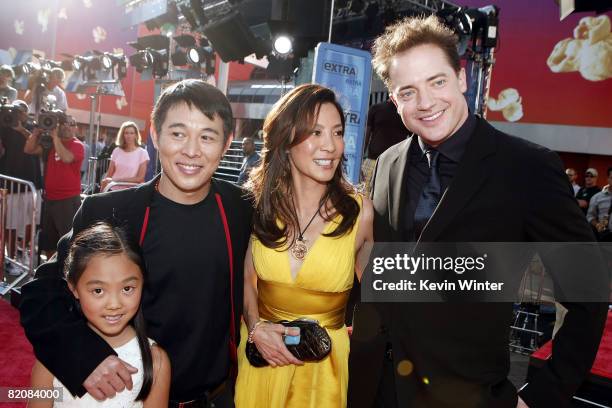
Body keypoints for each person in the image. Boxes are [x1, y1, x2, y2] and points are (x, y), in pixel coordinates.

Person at [348, 15, 608, 408]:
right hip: (373, 389)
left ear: (462, 78)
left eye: (437, 82)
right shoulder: (387, 163)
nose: (426, 102)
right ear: (394, 98)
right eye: (408, 91)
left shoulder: (526, 167)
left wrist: (543, 396)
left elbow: (589, 293)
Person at [19, 79, 252, 407]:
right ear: (155, 135)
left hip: (217, 397)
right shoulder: (110, 210)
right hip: (130, 397)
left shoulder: (241, 206)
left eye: (207, 137)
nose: (191, 150)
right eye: (178, 133)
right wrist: (86, 357)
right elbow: (41, 294)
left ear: (227, 142)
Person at [235, 84, 374, 407]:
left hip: (324, 373)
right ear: (286, 140)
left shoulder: (359, 213)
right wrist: (255, 328)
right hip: (262, 360)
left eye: (337, 132)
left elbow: (387, 298)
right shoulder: (259, 206)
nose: (331, 146)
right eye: (315, 132)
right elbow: (246, 281)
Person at [29, 222, 170, 407]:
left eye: (127, 288)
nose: (114, 304)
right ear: (74, 288)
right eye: (98, 291)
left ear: (143, 284)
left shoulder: (155, 361)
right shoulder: (56, 349)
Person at [24, 115, 84, 258]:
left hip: (67, 201)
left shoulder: (77, 145)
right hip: (50, 199)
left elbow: (67, 158)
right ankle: (51, 270)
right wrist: (36, 132)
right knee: (49, 243)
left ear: (75, 128)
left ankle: (65, 275)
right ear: (59, 126)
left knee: (68, 242)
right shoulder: (50, 144)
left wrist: (55, 137)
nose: (68, 126)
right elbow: (29, 149)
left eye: (72, 124)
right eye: (64, 124)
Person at [0, 100, 43, 270]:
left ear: (26, 113)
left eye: (21, 111)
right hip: (11, 184)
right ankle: (11, 257)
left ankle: (22, 249)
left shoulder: (33, 127)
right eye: (15, 111)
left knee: (32, 222)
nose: (18, 114)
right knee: (10, 223)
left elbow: (38, 146)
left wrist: (21, 130)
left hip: (32, 183)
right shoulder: (3, 125)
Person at [100, 121, 150, 191]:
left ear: (136, 135)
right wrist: (106, 183)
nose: (129, 136)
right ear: (122, 135)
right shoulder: (117, 151)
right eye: (126, 133)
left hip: (130, 191)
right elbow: (109, 173)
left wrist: (118, 180)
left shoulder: (142, 153)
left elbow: (140, 178)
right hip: (113, 188)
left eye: (132, 133)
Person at [586, 167, 612, 241]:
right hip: (604, 237)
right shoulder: (597, 197)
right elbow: (590, 216)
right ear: (608, 179)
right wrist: (597, 225)